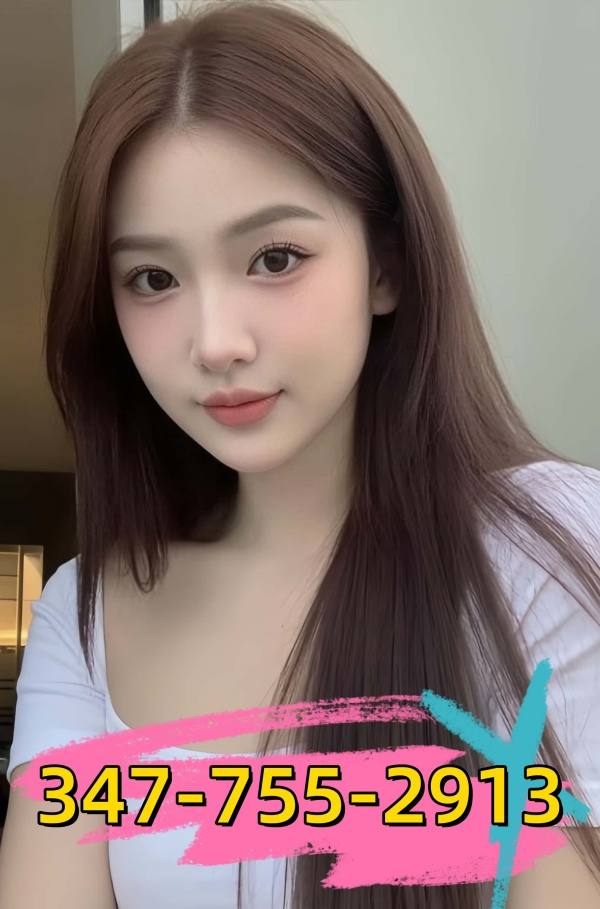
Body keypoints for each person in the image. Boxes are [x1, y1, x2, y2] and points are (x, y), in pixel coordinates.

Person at [0, 2, 599, 907]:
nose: (216, 342)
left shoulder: (543, 549)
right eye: (153, 278)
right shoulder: (84, 619)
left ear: (385, 265)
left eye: (275, 258)